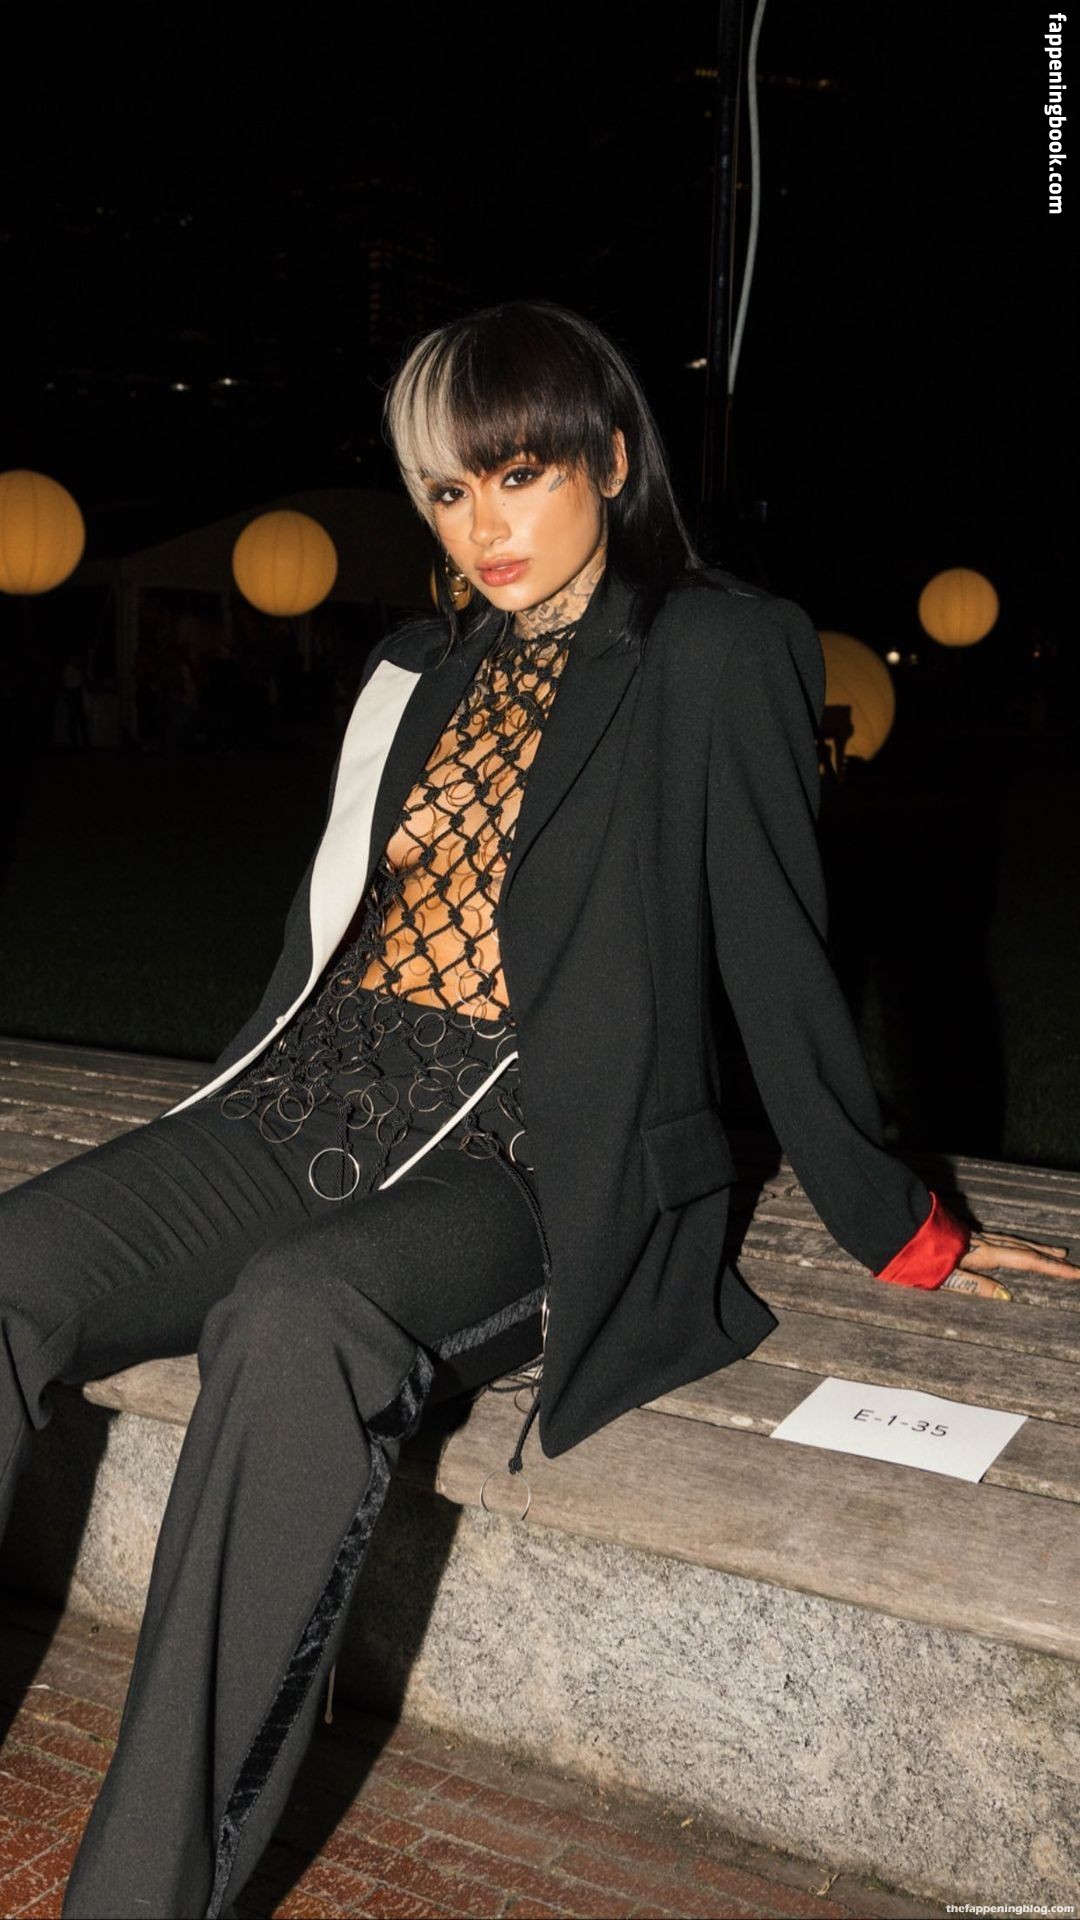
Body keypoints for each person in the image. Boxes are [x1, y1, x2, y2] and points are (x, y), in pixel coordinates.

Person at [1, 301, 1075, 1920]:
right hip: (311, 1099)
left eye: (519, 476)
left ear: (613, 462)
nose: (481, 526)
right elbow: (321, 941)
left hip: (530, 1145)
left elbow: (781, 957)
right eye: (448, 491)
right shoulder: (410, 669)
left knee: (299, 1319)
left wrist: (903, 1226)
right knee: (10, 1266)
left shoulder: (717, 650)